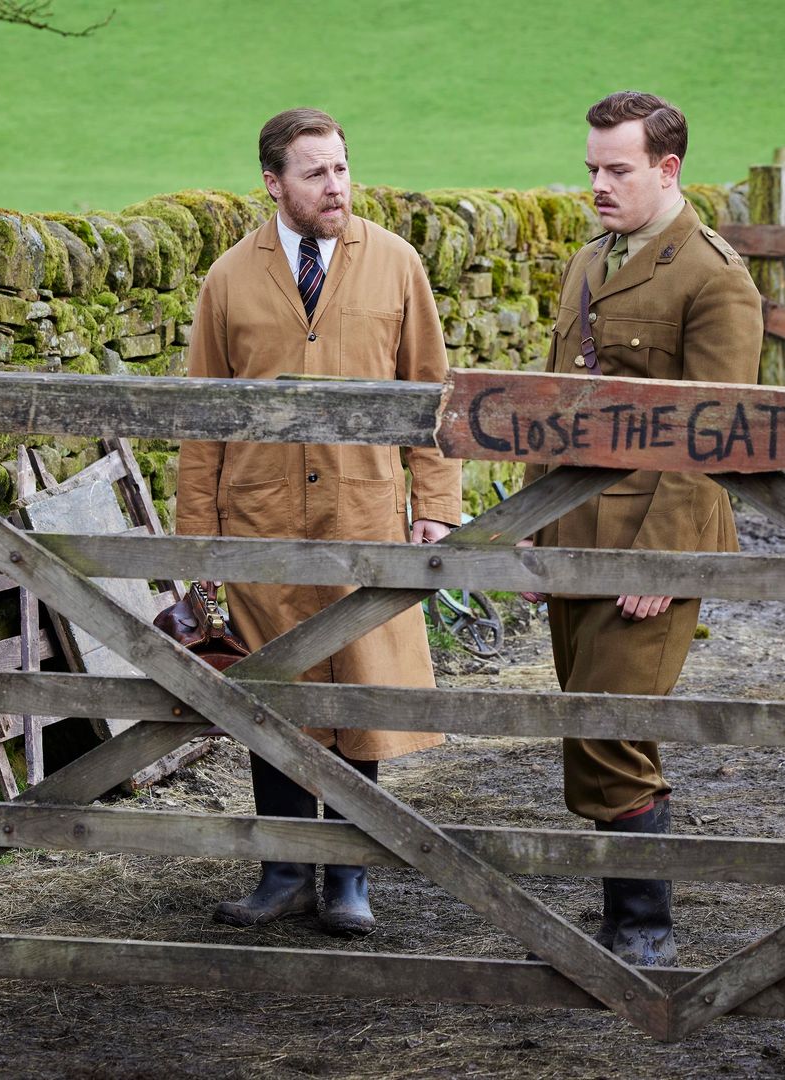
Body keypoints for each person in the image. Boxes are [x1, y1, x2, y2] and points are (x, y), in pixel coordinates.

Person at [175, 108, 462, 935]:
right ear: (273, 183)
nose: (336, 186)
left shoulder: (397, 264)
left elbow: (432, 393)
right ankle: (283, 871)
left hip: (362, 515)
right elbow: (199, 420)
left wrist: (436, 505)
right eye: (315, 173)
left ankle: (349, 876)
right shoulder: (229, 279)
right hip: (259, 523)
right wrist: (197, 541)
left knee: (359, 692)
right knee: (273, 698)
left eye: (341, 168)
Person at [521, 91, 763, 966]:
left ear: (667, 169)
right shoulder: (589, 262)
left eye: (617, 169)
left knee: (610, 728)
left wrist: (662, 558)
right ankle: (617, 917)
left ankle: (642, 930)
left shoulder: (713, 276)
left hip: (655, 542)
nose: (598, 184)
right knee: (585, 719)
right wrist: (528, 525)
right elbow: (553, 405)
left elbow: (714, 433)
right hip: (572, 535)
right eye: (591, 167)